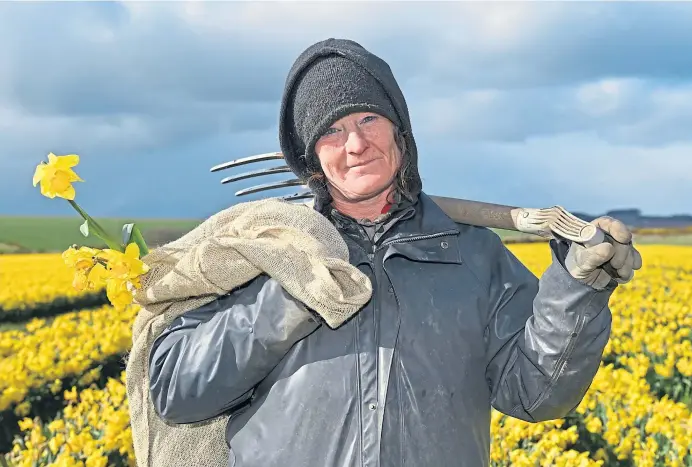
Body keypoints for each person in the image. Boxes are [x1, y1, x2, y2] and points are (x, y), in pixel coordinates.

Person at [148, 38, 642, 467]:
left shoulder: (472, 256)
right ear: (311, 158)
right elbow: (176, 393)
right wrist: (290, 297)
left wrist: (577, 286)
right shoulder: (258, 250)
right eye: (332, 131)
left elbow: (538, 394)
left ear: (401, 134)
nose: (356, 143)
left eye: (369, 119)